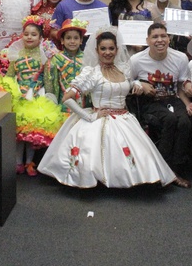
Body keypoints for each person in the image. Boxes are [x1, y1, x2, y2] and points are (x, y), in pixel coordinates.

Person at [38, 28, 176, 188]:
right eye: (103, 48)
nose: (107, 52)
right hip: (99, 118)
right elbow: (67, 98)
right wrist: (89, 116)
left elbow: (126, 84)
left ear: (117, 50)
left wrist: (136, 84)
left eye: (111, 48)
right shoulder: (92, 73)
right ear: (97, 50)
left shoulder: (123, 69)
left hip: (124, 119)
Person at [0, 16, 64, 176]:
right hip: (19, 94)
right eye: (26, 34)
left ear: (40, 38)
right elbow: (10, 76)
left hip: (36, 96)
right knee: (18, 132)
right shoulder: (15, 55)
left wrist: (50, 96)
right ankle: (18, 162)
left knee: (31, 133)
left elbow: (47, 79)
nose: (29, 37)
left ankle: (29, 162)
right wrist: (7, 90)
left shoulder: (44, 57)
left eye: (33, 34)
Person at [130, 23, 192, 188]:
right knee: (170, 120)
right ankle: (160, 169)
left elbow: (181, 84)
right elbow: (126, 81)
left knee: (185, 122)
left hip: (173, 99)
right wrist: (140, 84)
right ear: (147, 40)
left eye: (163, 36)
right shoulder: (137, 60)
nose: (160, 40)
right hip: (150, 102)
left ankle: (175, 169)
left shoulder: (180, 58)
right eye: (155, 37)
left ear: (169, 39)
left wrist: (188, 100)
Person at [44, 18, 87, 108]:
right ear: (62, 40)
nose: (72, 41)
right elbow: (50, 85)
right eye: (68, 38)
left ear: (81, 40)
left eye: (76, 38)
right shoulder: (56, 59)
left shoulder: (86, 58)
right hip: (63, 106)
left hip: (85, 107)